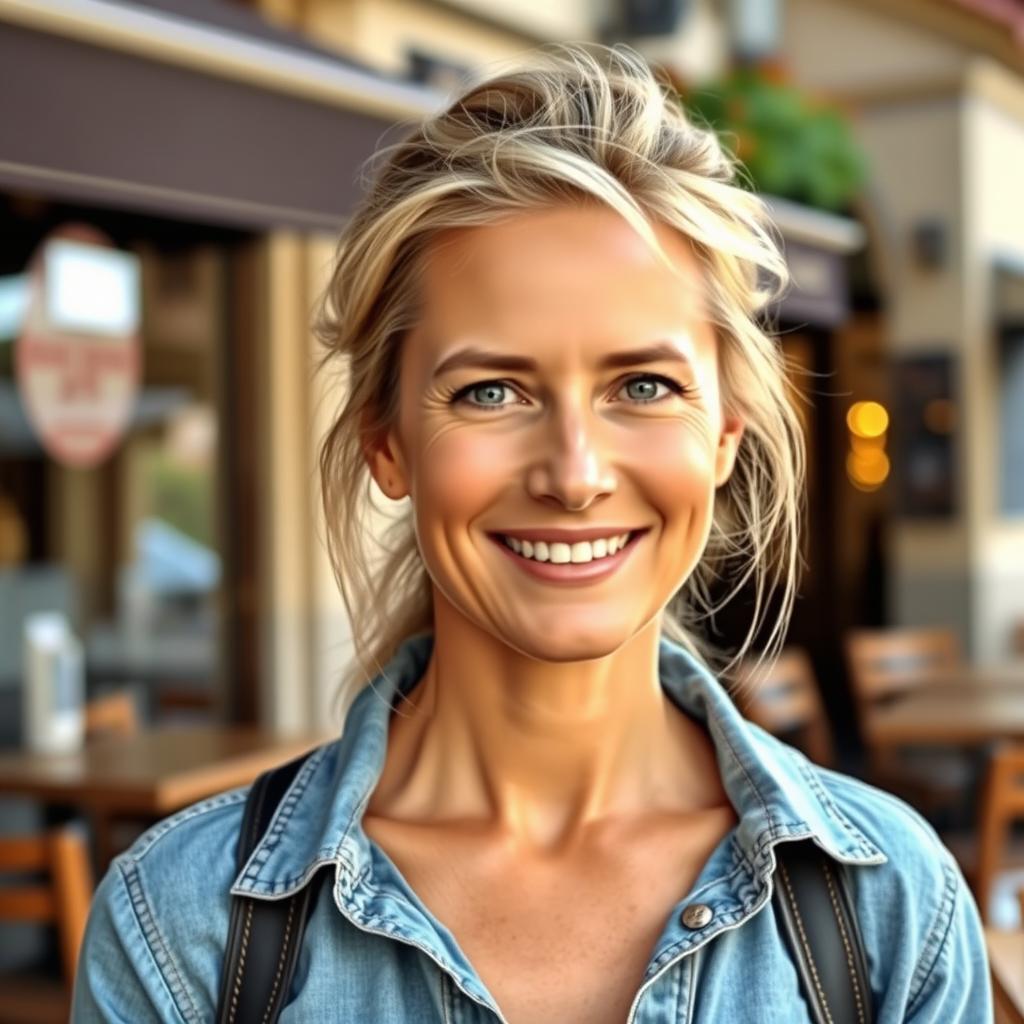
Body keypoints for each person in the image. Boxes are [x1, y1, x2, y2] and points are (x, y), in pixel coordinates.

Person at [73, 43, 991, 1023]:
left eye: (643, 385)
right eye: (491, 390)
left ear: (724, 433)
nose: (575, 474)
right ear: (387, 441)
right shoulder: (182, 929)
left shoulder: (890, 907)